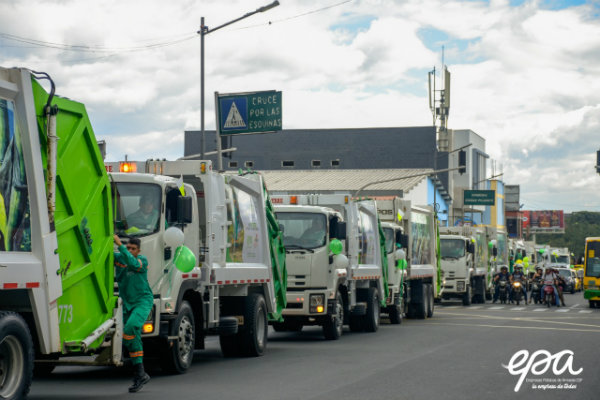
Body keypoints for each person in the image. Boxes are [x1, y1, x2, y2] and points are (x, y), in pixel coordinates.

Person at [114, 235, 153, 392]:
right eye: (128, 247)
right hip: (127, 303)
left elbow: (131, 262)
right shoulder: (119, 257)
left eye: (133, 249)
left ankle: (140, 373)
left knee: (130, 329)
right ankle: (140, 374)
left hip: (142, 302)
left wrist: (120, 245)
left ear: (139, 251)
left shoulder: (142, 261)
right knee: (131, 336)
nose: (129, 250)